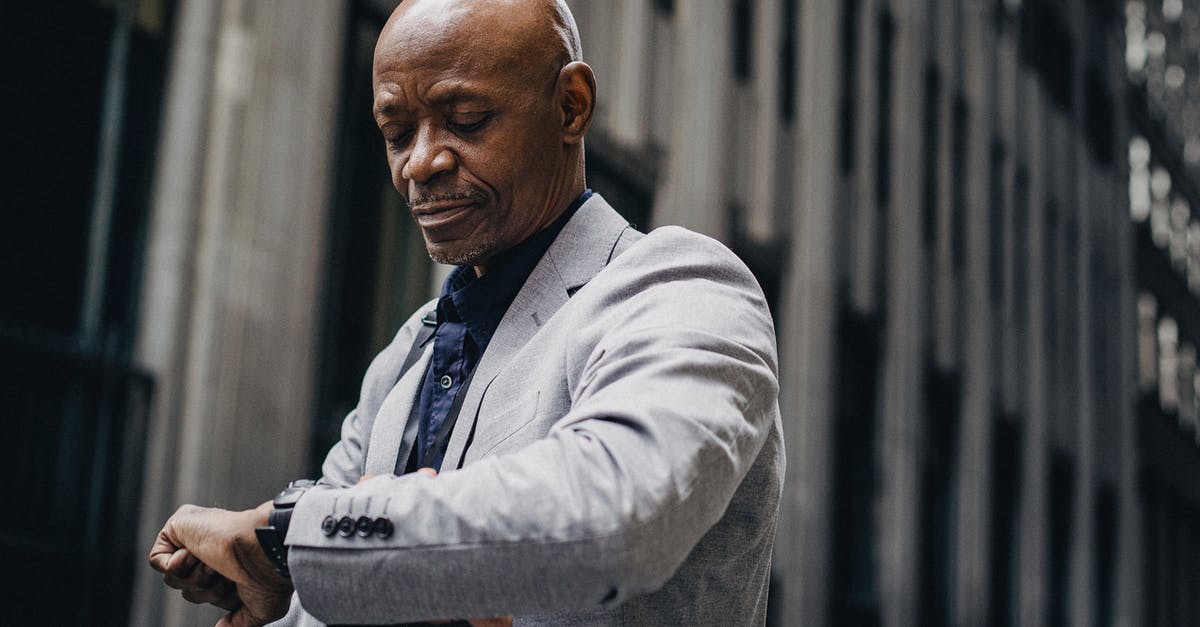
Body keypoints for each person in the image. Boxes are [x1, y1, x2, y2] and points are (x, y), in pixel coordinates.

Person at [148, 0, 784, 625]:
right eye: (396, 132)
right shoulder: (404, 357)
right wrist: (268, 582)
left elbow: (620, 514)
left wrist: (280, 537)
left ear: (571, 107)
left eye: (467, 118)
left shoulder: (682, 286)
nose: (420, 162)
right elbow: (329, 576)